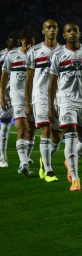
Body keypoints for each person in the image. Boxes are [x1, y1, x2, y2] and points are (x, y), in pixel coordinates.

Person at [48, 23, 82, 191]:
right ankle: (75, 179)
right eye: (68, 31)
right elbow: (52, 83)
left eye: (75, 30)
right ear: (64, 35)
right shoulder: (58, 55)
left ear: (80, 32)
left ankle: (69, 161)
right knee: (69, 136)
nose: (72, 33)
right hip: (66, 101)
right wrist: (50, 106)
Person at [25, 19, 64, 182]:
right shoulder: (34, 51)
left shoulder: (64, 50)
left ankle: (44, 160)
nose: (52, 30)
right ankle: (48, 170)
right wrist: (27, 103)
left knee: (57, 136)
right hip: (40, 96)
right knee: (45, 129)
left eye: (55, 27)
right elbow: (29, 78)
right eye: (49, 27)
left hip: (59, 96)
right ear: (43, 31)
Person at [1, 26, 37, 176]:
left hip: (35, 98)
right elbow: (3, 77)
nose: (29, 45)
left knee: (31, 130)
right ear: (21, 40)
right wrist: (2, 96)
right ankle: (23, 163)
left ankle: (25, 160)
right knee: (21, 128)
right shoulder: (11, 56)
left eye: (31, 42)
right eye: (26, 42)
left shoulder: (37, 54)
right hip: (17, 98)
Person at [0, 35, 17, 168]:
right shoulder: (2, 55)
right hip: (5, 94)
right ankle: (2, 157)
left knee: (26, 126)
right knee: (5, 126)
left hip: (19, 94)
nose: (13, 44)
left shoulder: (23, 54)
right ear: (7, 42)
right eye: (10, 41)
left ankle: (24, 158)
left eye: (15, 42)